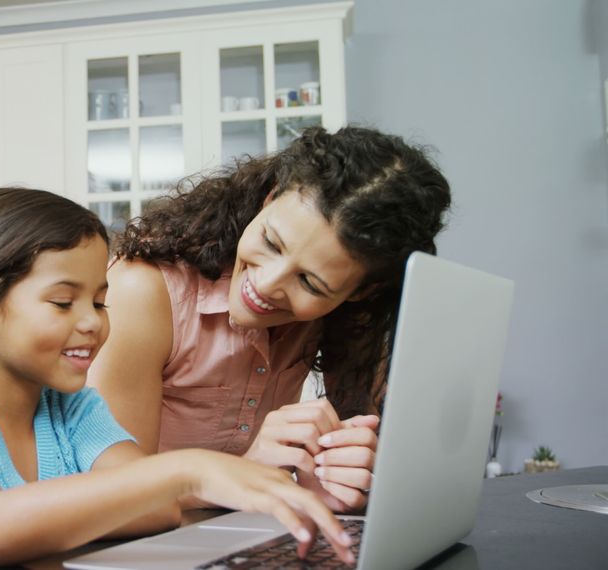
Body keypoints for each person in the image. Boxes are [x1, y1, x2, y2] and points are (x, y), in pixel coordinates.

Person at [0, 187, 355, 566]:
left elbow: (159, 513)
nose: (92, 321)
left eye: (99, 300)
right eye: (64, 302)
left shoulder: (77, 410)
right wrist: (188, 470)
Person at [88, 126, 452, 513]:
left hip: (242, 538)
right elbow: (112, 496)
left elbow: (368, 448)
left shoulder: (346, 313)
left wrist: (343, 478)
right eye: (271, 242)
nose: (264, 285)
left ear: (361, 293)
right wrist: (245, 475)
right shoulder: (144, 291)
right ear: (270, 198)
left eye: (310, 282)